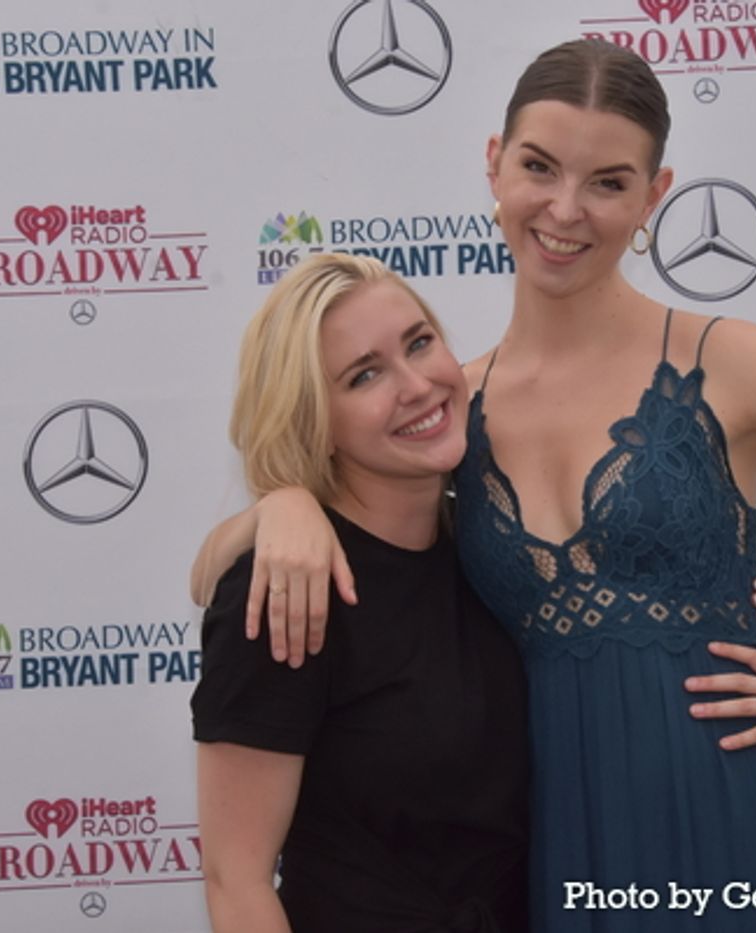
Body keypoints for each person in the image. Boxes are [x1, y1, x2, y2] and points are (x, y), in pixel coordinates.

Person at [194, 39, 756, 932]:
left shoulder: (730, 362)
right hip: (569, 835)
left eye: (608, 181)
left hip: (745, 802)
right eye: (540, 167)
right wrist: (280, 507)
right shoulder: (448, 409)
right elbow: (265, 571)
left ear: (653, 199)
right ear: (494, 165)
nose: (565, 209)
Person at [191, 253, 530, 932]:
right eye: (365, 375)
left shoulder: (495, 540)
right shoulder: (286, 586)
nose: (417, 385)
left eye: (419, 342)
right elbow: (238, 880)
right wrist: (276, 506)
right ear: (315, 421)